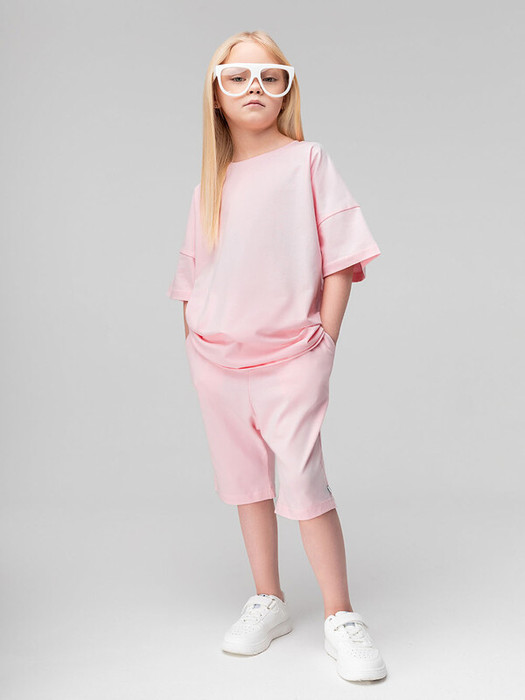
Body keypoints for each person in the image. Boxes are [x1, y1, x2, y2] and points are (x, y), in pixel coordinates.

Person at [167, 30, 387, 683]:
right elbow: (192, 275)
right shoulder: (209, 184)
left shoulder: (307, 162)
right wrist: (194, 338)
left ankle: (340, 615)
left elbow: (341, 259)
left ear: (287, 89)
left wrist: (325, 342)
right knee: (246, 482)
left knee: (304, 482)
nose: (253, 89)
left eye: (269, 76)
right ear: (215, 95)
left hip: (293, 354)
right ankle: (268, 598)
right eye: (236, 78)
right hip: (216, 360)